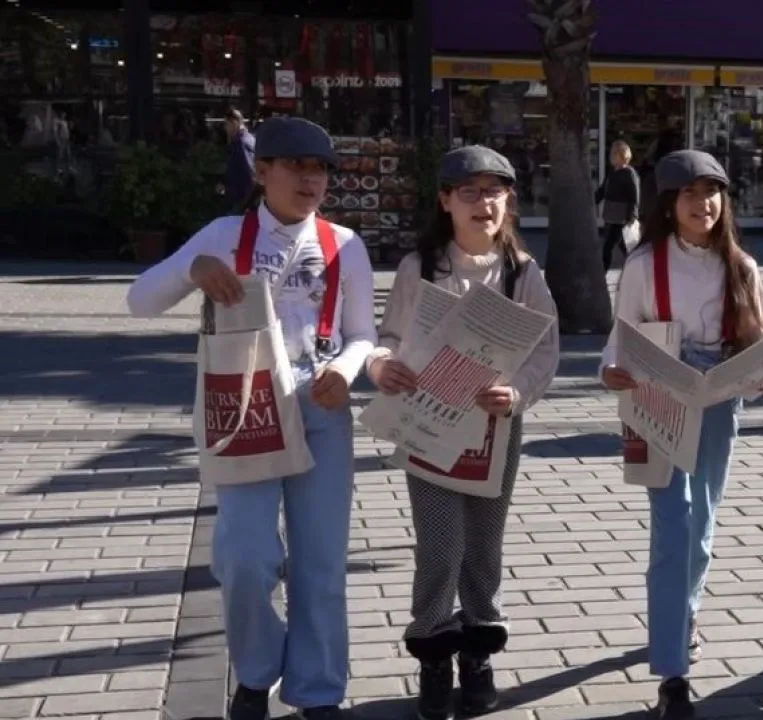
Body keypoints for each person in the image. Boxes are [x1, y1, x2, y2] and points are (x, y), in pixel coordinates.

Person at [126, 117, 377, 720]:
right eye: (296, 167)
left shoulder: (345, 243)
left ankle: (318, 690)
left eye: (320, 170)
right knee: (243, 557)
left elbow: (363, 334)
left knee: (321, 561)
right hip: (244, 410)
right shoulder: (222, 233)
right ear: (262, 171)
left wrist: (346, 369)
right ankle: (256, 670)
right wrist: (191, 269)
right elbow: (139, 300)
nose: (310, 180)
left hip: (320, 407)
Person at [366, 145, 560, 720]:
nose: (484, 203)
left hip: (495, 428)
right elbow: (389, 337)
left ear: (509, 201)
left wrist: (517, 393)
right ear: (445, 201)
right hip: (428, 423)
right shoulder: (420, 267)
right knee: (440, 545)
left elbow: (545, 348)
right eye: (469, 192)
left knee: (484, 544)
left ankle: (477, 650)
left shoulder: (522, 272)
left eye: (495, 191)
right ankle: (433, 652)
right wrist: (382, 365)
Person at [599, 150, 763, 720]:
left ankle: (686, 612)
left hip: (719, 400)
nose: (702, 203)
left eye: (712, 192)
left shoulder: (742, 266)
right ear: (668, 203)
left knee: (701, 524)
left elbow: (756, 342)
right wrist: (610, 370)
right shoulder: (644, 264)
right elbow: (620, 337)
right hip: (658, 396)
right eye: (689, 193)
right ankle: (672, 672)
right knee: (674, 526)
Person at [597, 140, 642, 269]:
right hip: (611, 215)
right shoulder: (612, 172)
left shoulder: (629, 174)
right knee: (624, 246)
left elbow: (635, 196)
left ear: (623, 155)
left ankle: (603, 272)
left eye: (614, 153)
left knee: (609, 246)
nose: (611, 156)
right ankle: (636, 267)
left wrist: (632, 216)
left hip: (622, 217)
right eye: (611, 152)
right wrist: (592, 201)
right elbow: (603, 190)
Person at [223, 109, 257, 212]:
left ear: (234, 123)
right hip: (245, 199)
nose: (225, 128)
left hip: (241, 200)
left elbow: (249, 174)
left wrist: (245, 205)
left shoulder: (240, 143)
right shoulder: (249, 138)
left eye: (226, 124)